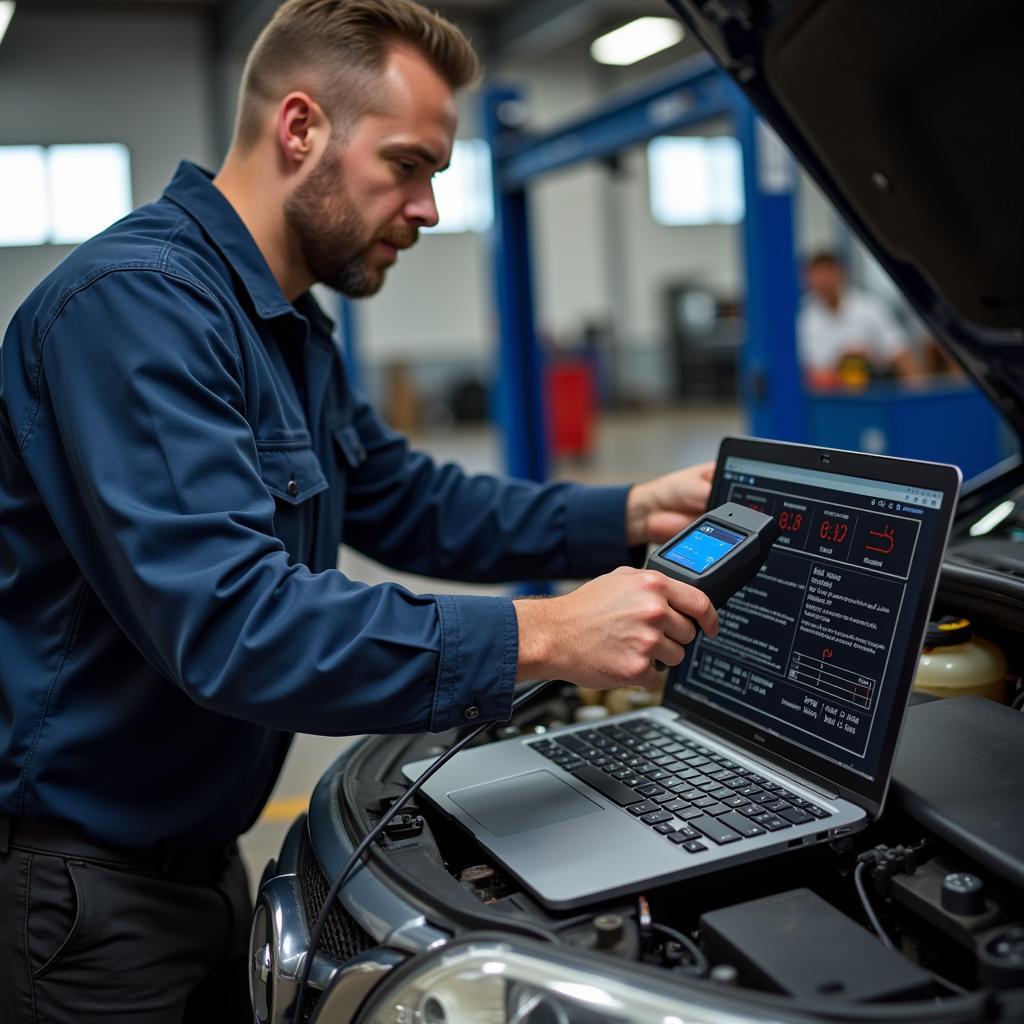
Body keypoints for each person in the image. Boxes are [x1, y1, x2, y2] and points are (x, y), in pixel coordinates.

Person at [0, 1, 719, 1020]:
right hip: (87, 900)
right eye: (411, 165)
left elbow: (407, 501)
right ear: (301, 130)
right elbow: (236, 626)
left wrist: (626, 510)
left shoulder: (285, 324)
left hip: (198, 864)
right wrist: (547, 630)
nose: (428, 208)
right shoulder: (136, 308)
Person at [797, 250, 919, 387]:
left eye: (826, 275)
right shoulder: (805, 318)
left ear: (839, 274)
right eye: (816, 276)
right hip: (832, 401)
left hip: (877, 392)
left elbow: (901, 354)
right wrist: (844, 361)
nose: (822, 282)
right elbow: (814, 373)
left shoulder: (870, 308)